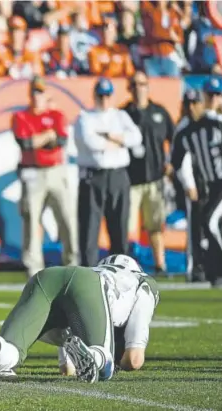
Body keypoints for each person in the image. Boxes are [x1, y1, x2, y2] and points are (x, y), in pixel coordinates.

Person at [0, 255, 159, 383]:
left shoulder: (99, 271)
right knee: (105, 364)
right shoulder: (143, 282)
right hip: (86, 285)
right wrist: (117, 358)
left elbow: (67, 369)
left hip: (47, 277)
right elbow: (134, 359)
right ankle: (97, 356)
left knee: (7, 356)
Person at [13, 76, 77, 278]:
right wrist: (47, 136)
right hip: (32, 172)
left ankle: (72, 262)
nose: (37, 96)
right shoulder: (21, 116)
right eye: (34, 92)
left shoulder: (57, 115)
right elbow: (25, 143)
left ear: (46, 94)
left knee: (67, 217)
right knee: (31, 220)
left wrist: (43, 139)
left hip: (56, 171)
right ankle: (33, 266)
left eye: (40, 92)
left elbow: (60, 140)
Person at [74, 77, 142, 266]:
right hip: (93, 176)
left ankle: (119, 272)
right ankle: (88, 275)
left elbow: (136, 137)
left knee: (119, 228)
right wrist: (119, 142)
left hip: (118, 175)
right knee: (89, 230)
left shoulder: (120, 116)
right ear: (94, 96)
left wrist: (111, 137)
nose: (104, 100)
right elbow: (91, 143)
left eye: (107, 96)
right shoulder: (85, 117)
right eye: (100, 96)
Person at [121, 70, 175, 276]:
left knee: (155, 225)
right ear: (129, 88)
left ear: (148, 86)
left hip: (155, 179)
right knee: (127, 226)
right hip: (130, 179)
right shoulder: (123, 113)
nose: (138, 88)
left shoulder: (159, 112)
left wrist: (170, 163)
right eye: (134, 85)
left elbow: (175, 138)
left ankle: (160, 265)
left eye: (142, 84)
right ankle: (125, 266)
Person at [171, 89, 222, 288]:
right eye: (188, 104)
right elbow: (176, 161)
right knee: (207, 224)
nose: (192, 107)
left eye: (195, 103)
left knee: (211, 222)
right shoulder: (184, 130)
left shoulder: (214, 122)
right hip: (210, 186)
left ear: (202, 103)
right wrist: (188, 184)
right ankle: (214, 271)